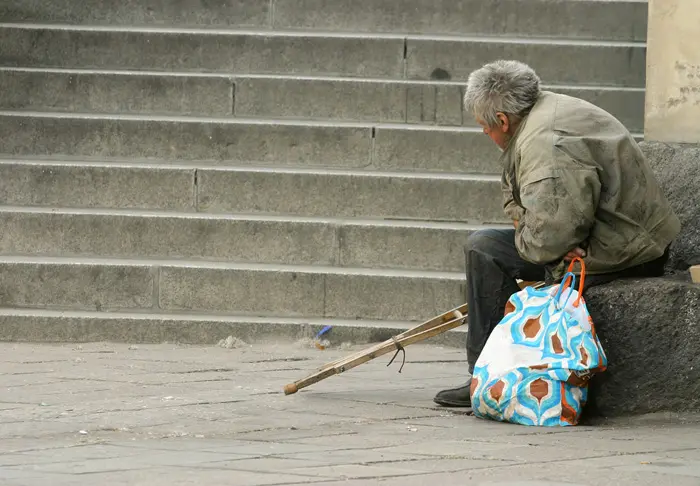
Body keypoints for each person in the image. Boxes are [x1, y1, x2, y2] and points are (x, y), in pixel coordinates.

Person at [433, 60, 681, 408]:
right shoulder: (541, 109)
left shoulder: (545, 146)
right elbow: (533, 216)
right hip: (611, 233)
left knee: (503, 256)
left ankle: (500, 377)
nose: (484, 134)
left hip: (626, 250)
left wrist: (548, 242)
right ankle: (484, 375)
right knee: (484, 247)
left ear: (502, 121)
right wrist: (536, 231)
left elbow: (549, 239)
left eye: (484, 127)